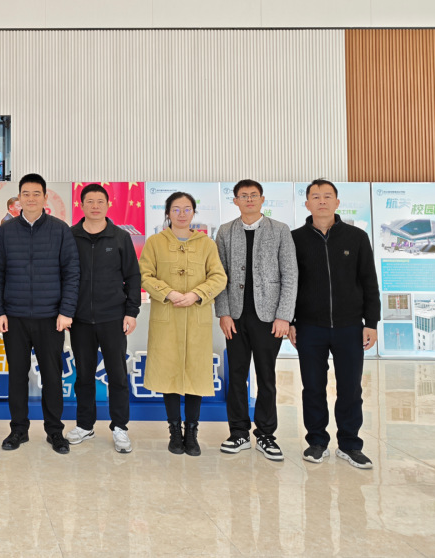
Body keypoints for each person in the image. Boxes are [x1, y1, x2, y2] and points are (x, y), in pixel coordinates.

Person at [290, 179, 379, 469]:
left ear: (337, 202)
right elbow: (290, 284)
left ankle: (350, 444)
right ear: (307, 204)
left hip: (349, 326)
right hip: (309, 327)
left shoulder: (356, 237)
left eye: (327, 196)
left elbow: (369, 281)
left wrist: (371, 322)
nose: (322, 201)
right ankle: (317, 441)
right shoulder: (295, 239)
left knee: (350, 388)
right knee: (312, 387)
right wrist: (291, 321)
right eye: (315, 197)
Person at [0, 173, 80, 455]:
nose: (30, 199)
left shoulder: (60, 229)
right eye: (25, 194)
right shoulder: (6, 230)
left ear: (45, 197)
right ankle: (18, 429)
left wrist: (66, 311)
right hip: (14, 317)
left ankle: (55, 431)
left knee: (52, 377)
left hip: (50, 317)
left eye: (36, 194)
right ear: (18, 198)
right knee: (17, 376)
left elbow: (72, 273)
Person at [215, 180, 298, 461]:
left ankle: (265, 435)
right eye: (243, 196)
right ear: (235, 201)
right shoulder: (225, 231)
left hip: (269, 318)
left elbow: (290, 275)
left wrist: (284, 316)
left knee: (266, 376)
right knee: (237, 376)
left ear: (262, 200)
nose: (249, 199)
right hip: (235, 317)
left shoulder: (280, 230)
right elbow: (220, 276)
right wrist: (223, 313)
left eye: (253, 195)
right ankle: (238, 432)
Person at [140, 192, 227, 456]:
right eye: (176, 209)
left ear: (193, 212)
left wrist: (196, 294)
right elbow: (144, 274)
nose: (181, 214)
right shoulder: (155, 242)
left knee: (195, 376)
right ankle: (174, 432)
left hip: (196, 317)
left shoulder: (206, 244)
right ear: (168, 212)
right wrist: (168, 292)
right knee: (168, 375)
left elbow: (218, 277)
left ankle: (192, 432)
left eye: (187, 209)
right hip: (166, 317)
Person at [67, 184, 141, 453]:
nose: (95, 206)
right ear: (81, 205)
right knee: (83, 376)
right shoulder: (70, 236)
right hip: (80, 320)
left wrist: (131, 311)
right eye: (90, 201)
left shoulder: (120, 237)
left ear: (108, 205)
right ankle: (85, 425)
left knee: (117, 375)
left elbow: (133, 276)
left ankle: (120, 427)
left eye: (100, 201)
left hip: (113, 317)